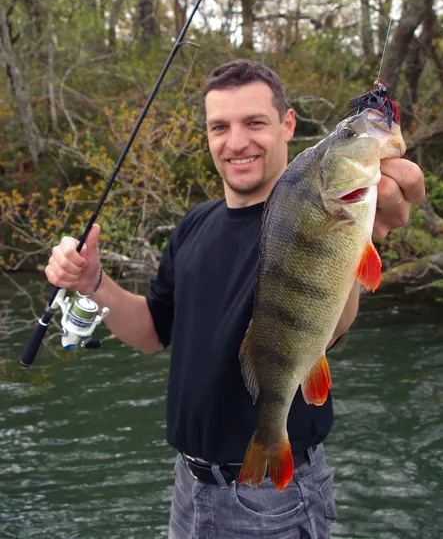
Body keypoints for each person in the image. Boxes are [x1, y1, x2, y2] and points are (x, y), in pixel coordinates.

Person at [45, 60, 425, 538]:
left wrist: (365, 235)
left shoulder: (323, 211)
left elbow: (334, 324)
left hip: (276, 499)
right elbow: (149, 333)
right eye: (219, 126)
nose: (236, 141)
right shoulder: (192, 227)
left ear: (288, 124)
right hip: (188, 486)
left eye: (255, 122)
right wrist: (94, 282)